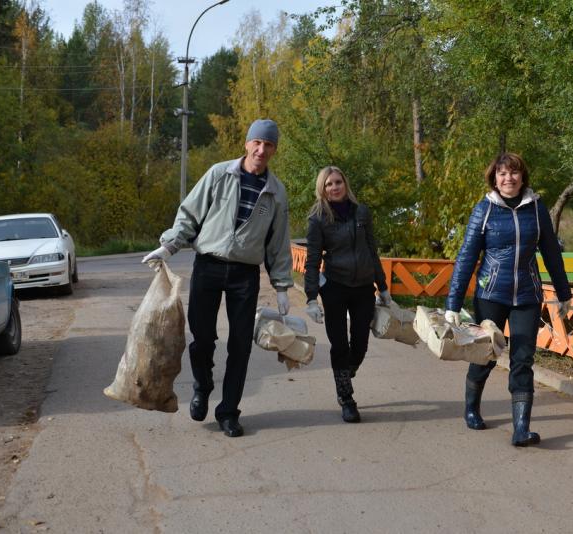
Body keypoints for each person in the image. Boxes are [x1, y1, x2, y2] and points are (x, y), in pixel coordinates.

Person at [142, 119, 293, 438]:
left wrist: (281, 286)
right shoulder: (219, 173)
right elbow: (190, 214)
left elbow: (278, 243)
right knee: (202, 338)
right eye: (257, 143)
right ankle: (202, 386)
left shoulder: (276, 193)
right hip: (208, 266)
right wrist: (168, 246)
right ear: (247, 144)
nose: (261, 150)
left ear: (274, 150)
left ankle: (229, 412)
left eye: (268, 145)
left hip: (245, 274)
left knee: (240, 345)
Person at [445, 152, 572, 447]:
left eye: (513, 173)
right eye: (502, 174)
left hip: (527, 294)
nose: (508, 178)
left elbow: (551, 252)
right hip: (491, 294)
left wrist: (564, 293)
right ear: (494, 178)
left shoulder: (536, 208)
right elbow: (466, 258)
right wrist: (452, 304)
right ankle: (471, 408)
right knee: (485, 355)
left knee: (523, 359)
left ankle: (521, 428)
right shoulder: (485, 209)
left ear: (522, 176)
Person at [303, 166, 391, 423]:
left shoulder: (361, 212)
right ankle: (346, 397)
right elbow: (311, 261)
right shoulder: (318, 218)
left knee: (360, 345)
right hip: (335, 287)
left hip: (364, 288)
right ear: (322, 189)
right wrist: (311, 296)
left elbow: (372, 251)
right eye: (328, 184)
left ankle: (344, 372)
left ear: (345, 184)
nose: (334, 187)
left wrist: (382, 287)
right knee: (339, 344)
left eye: (338, 182)